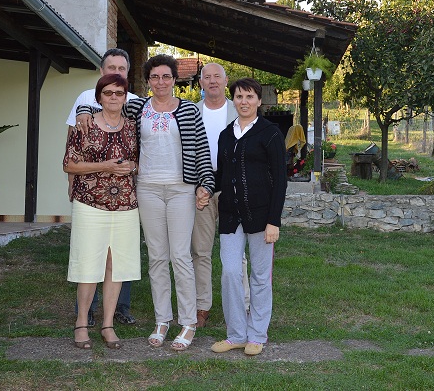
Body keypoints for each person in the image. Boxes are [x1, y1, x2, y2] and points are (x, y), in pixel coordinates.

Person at [77, 54, 214, 351]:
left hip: (180, 190)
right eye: (154, 77)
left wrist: (206, 184)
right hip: (147, 189)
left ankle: (188, 321)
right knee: (156, 257)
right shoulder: (138, 107)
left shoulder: (189, 110)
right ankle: (162, 320)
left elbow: (202, 150)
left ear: (174, 79)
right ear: (147, 81)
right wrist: (83, 110)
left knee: (180, 256)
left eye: (166, 76)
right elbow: (105, 105)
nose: (160, 82)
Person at [211, 78, 287, 356]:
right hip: (230, 215)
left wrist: (274, 221)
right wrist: (205, 189)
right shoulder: (225, 135)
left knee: (260, 277)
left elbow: (280, 180)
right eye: (239, 96)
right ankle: (236, 334)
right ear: (233, 100)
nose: (244, 102)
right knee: (230, 272)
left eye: (250, 96)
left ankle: (256, 335)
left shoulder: (270, 133)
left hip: (262, 216)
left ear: (259, 101)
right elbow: (221, 175)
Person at [64, 73, 140, 350]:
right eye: (108, 93)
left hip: (125, 206)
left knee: (115, 265)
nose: (113, 97)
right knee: (88, 264)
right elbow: (69, 164)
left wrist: (131, 167)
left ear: (125, 97)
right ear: (99, 97)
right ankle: (81, 323)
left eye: (119, 93)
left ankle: (108, 325)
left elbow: (139, 161)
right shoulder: (84, 124)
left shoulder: (132, 127)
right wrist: (105, 166)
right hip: (90, 203)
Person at [192, 63, 249, 327]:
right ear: (200, 83)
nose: (212, 81)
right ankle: (201, 306)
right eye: (207, 77)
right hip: (201, 188)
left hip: (231, 187)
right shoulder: (191, 111)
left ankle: (243, 305)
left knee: (236, 252)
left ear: (226, 81)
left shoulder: (239, 110)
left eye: (217, 76)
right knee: (200, 250)